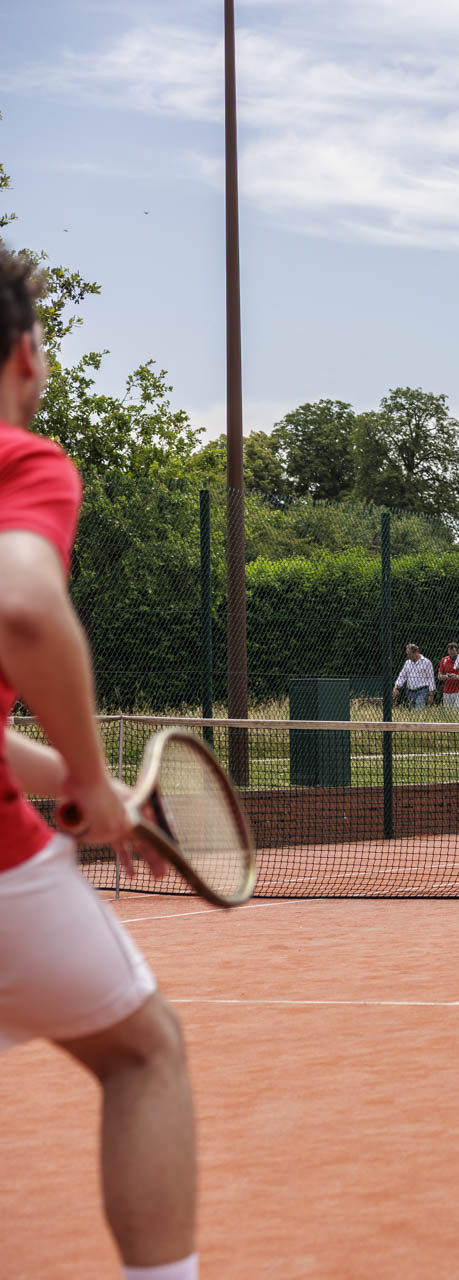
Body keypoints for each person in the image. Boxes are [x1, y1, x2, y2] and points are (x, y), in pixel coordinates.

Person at [0, 244, 202, 1280]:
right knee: (143, 1051)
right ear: (26, 355)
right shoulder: (23, 463)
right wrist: (87, 773)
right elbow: (24, 604)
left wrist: (92, 787)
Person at [392, 642, 433, 709]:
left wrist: (431, 694)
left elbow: (431, 679)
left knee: (419, 709)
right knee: (413, 711)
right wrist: (396, 687)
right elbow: (402, 676)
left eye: (409, 654)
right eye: (407, 654)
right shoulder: (407, 663)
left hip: (422, 691)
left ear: (416, 652)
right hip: (410, 692)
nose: (408, 656)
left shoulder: (426, 662)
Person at [438, 641, 459, 711]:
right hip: (447, 690)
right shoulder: (444, 660)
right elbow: (439, 676)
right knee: (447, 711)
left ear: (457, 651)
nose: (451, 654)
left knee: (457, 711)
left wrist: (456, 676)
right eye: (450, 652)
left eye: (453, 652)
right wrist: (446, 676)